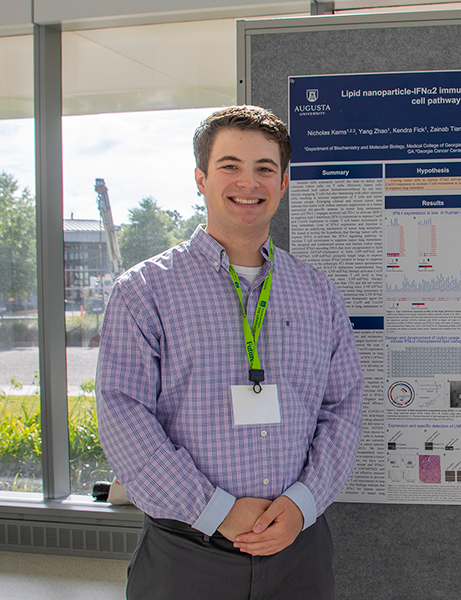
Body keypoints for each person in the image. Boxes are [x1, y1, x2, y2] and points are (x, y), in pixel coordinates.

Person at [96, 105, 363, 600]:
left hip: (298, 548)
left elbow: (342, 408)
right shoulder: (145, 291)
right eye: (230, 166)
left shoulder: (317, 292)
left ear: (282, 184)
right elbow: (121, 414)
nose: (249, 182)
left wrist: (303, 502)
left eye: (265, 168)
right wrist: (215, 509)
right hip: (187, 550)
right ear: (200, 178)